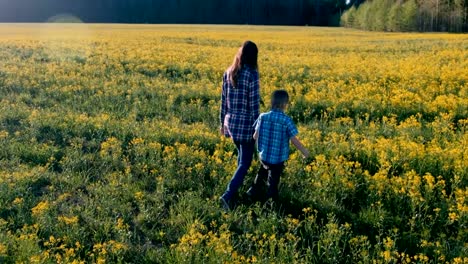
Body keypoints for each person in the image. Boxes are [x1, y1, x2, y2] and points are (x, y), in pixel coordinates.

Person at [246, 89, 310, 203]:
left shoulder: (262, 116)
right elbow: (294, 139)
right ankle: (271, 201)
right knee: (273, 180)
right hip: (278, 158)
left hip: (264, 155)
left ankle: (252, 191)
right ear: (285, 105)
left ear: (272, 102)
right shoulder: (286, 120)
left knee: (262, 173)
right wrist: (304, 151)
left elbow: (255, 135)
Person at [219, 40, 260, 211]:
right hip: (245, 124)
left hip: (231, 123)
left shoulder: (228, 72)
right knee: (245, 162)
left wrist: (222, 123)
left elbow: (223, 102)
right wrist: (257, 127)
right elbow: (254, 104)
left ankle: (235, 190)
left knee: (241, 158)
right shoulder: (252, 75)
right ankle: (228, 195)